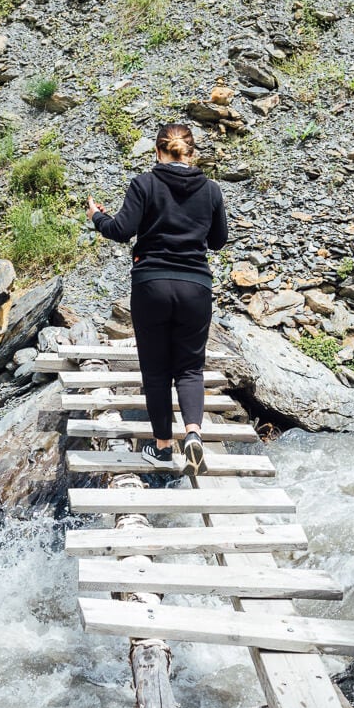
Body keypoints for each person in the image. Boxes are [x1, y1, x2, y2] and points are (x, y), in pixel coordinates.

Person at [85, 123, 228, 475]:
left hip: (152, 285)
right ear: (191, 153)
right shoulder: (211, 190)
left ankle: (163, 447)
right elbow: (218, 241)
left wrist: (96, 216)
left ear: (158, 152)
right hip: (196, 286)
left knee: (157, 370)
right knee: (191, 367)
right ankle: (193, 434)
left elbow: (120, 230)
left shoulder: (145, 183)